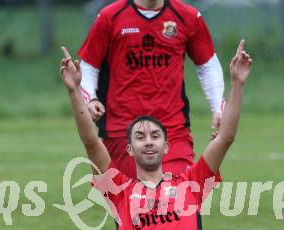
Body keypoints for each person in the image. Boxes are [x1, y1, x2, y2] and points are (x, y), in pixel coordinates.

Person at [60, 39, 254, 230]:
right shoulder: (120, 191)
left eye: (155, 136)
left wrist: (237, 83)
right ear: (129, 149)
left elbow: (226, 137)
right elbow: (91, 144)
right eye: (139, 137)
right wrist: (74, 91)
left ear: (166, 147)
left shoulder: (191, 183)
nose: (148, 142)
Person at [78, 0, 225, 178]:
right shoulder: (110, 16)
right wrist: (90, 98)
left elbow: (207, 64)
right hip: (122, 132)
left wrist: (218, 106)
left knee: (177, 199)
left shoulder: (188, 16)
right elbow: (88, 66)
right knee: (135, 203)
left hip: (172, 130)